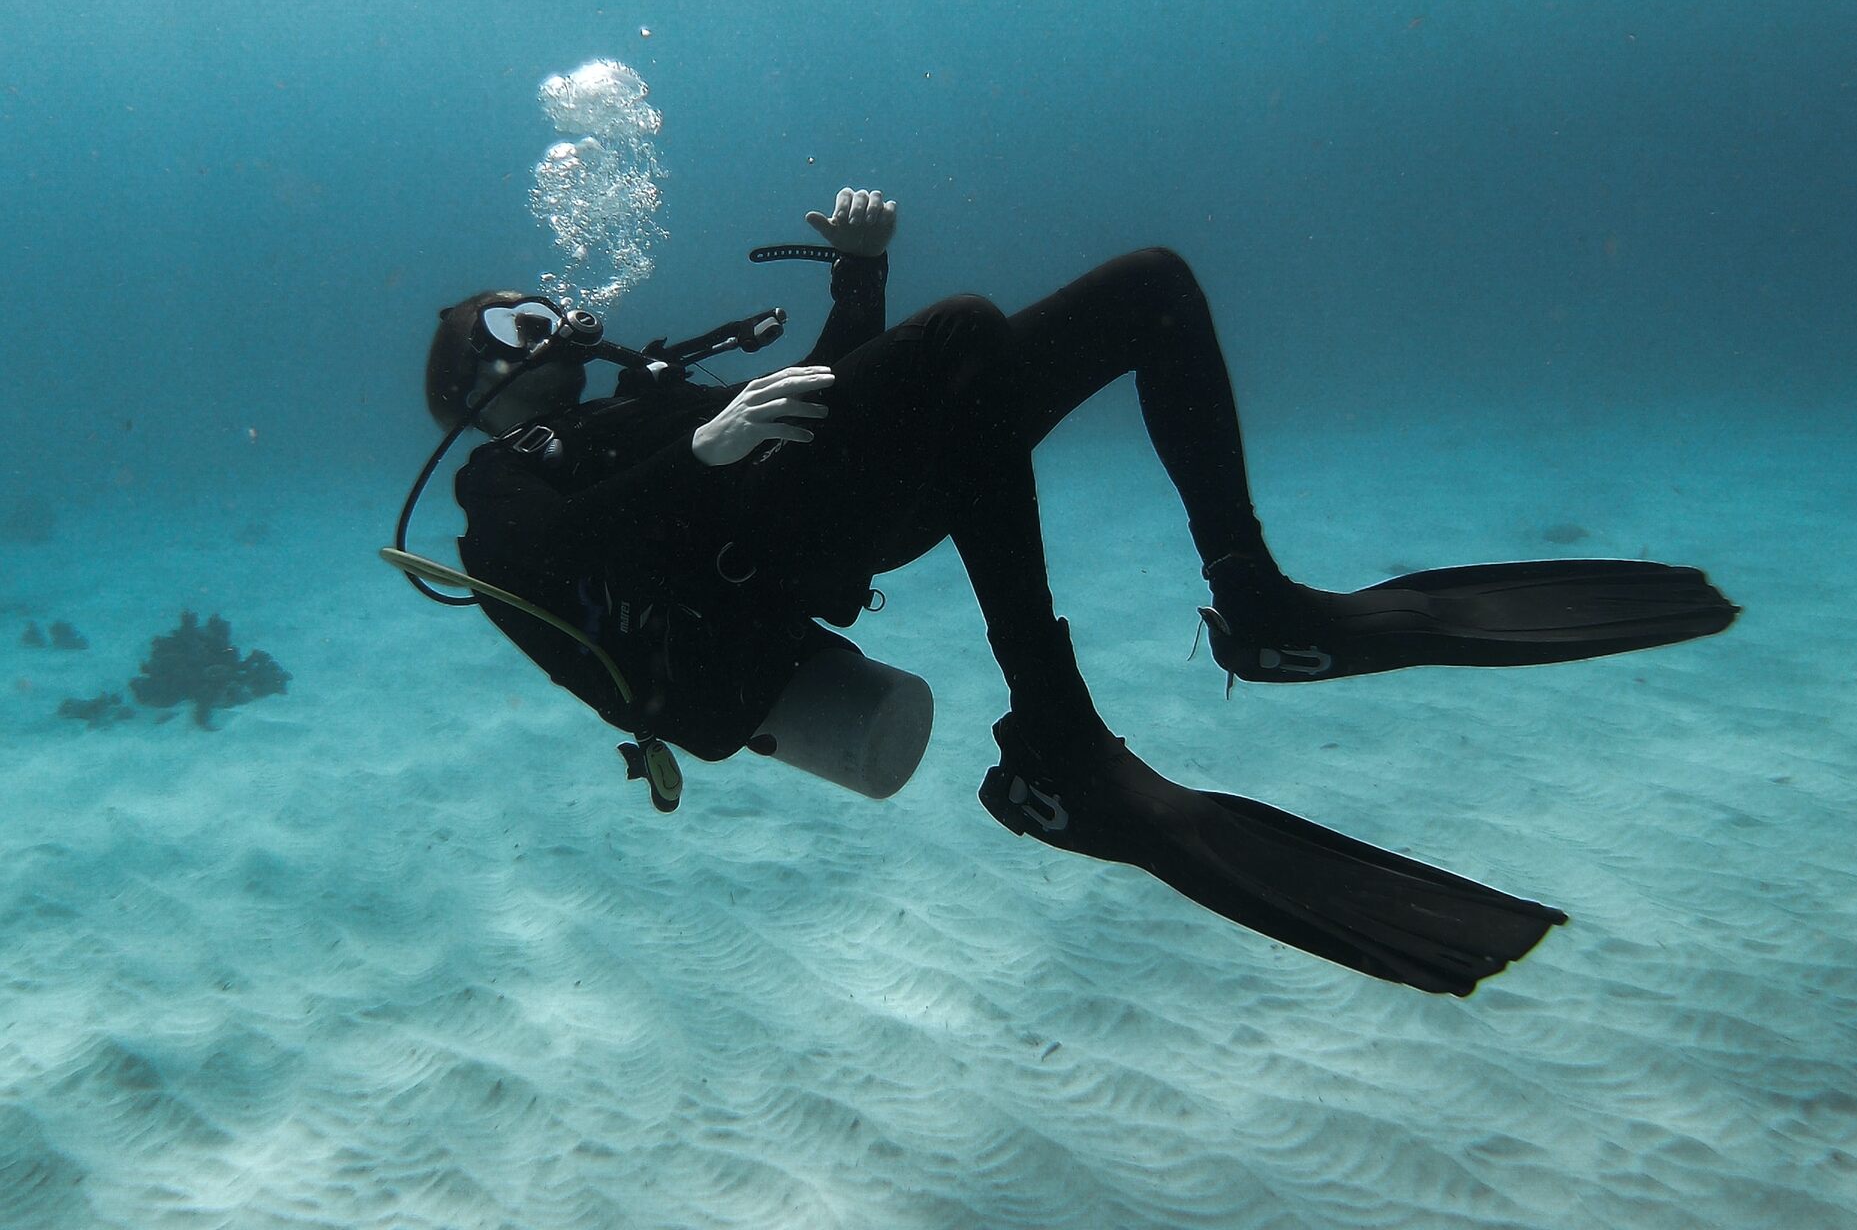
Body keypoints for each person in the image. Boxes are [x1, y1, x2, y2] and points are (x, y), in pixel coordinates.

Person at [416, 188, 1738, 996]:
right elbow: (568, 557)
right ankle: (1055, 749)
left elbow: (825, 401)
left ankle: (1261, 606)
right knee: (970, 332)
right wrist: (702, 458)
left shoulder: (638, 398)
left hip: (825, 518)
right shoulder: (492, 494)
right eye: (521, 326)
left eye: (549, 306)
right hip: (765, 588)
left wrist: (857, 279)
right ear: (471, 384)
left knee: (1146, 288)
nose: (559, 324)